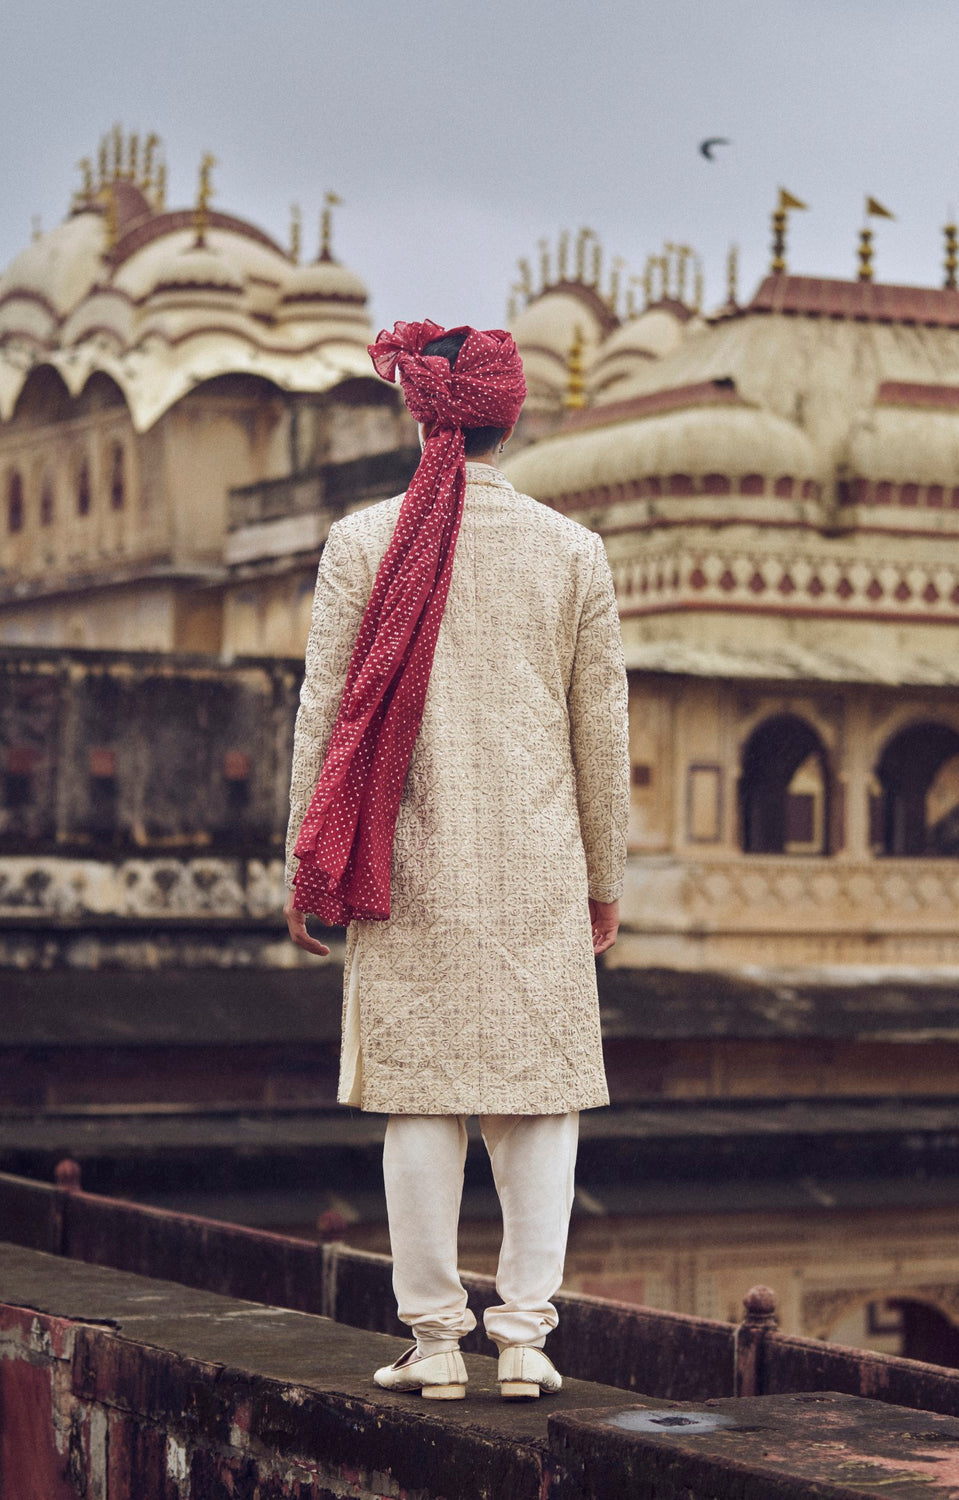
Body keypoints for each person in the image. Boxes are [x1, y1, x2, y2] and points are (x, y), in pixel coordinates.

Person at [284, 319, 628, 1402]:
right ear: (511, 414)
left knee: (419, 1103)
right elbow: (601, 733)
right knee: (538, 1104)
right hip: (534, 862)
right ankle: (523, 1340)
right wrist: (604, 878)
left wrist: (312, 861)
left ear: (419, 411)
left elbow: (325, 722)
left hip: (403, 856)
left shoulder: (359, 542)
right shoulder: (571, 550)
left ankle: (434, 1345)